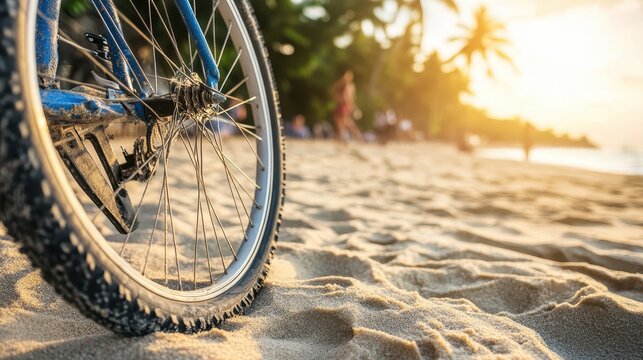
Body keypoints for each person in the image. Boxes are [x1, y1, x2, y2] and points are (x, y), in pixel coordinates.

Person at [333, 70, 363, 143]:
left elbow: (349, 97)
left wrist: (352, 105)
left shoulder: (349, 86)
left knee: (345, 122)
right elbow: (335, 92)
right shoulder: (342, 85)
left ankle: (357, 136)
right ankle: (342, 139)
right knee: (341, 123)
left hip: (344, 105)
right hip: (342, 105)